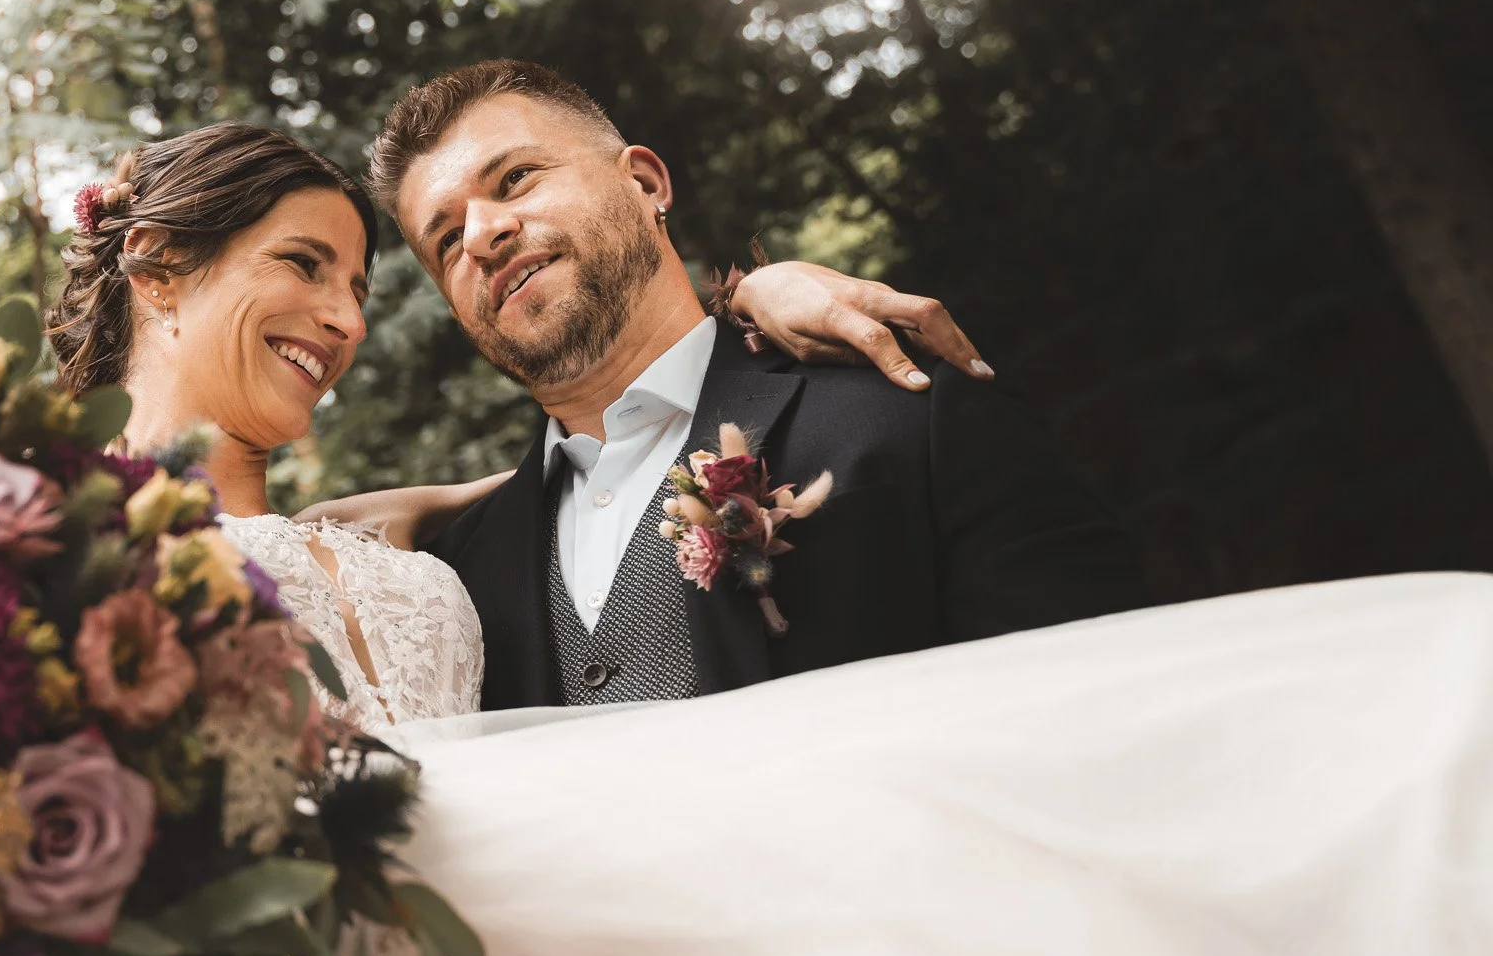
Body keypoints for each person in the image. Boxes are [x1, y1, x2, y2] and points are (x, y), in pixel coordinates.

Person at [46, 118, 1002, 730]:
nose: (346, 320)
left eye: (358, 286)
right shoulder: (26, 558)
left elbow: (623, 454)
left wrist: (752, 301)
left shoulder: (398, 547)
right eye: (304, 265)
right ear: (157, 266)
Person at [357, 59, 1146, 711]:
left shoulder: (912, 413)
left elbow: (1111, 706)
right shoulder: (448, 577)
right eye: (445, 238)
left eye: (517, 179)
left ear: (646, 183)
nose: (483, 236)